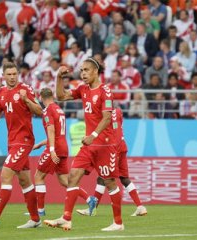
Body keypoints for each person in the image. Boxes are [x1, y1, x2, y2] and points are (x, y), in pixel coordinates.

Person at [44, 58, 124, 231]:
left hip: (104, 145)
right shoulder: (83, 89)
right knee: (73, 176)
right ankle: (66, 218)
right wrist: (59, 78)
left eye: (86, 70)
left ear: (95, 71)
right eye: (81, 70)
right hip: (89, 146)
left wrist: (93, 135)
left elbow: (107, 117)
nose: (83, 74)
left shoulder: (105, 91)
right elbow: (61, 96)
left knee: (110, 182)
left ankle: (118, 223)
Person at [0, 62, 42, 229]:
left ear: (18, 74)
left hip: (24, 139)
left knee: (5, 175)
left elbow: (40, 111)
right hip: (12, 141)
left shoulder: (26, 89)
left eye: (15, 74)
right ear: (3, 77)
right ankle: (35, 219)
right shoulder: (2, 92)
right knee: (24, 181)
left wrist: (26, 99)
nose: (12, 77)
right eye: (9, 74)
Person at [32, 88, 94, 216]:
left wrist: (51, 150)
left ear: (41, 98)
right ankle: (89, 199)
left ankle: (40, 211)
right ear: (53, 96)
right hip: (63, 147)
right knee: (65, 181)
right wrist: (40, 144)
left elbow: (51, 130)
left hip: (54, 148)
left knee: (38, 177)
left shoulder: (48, 110)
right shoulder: (59, 110)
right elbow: (59, 133)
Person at [76, 107, 147, 217]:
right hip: (122, 145)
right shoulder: (118, 111)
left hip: (113, 147)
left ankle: (93, 209)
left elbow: (105, 128)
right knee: (123, 178)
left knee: (105, 178)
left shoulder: (104, 115)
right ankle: (140, 206)